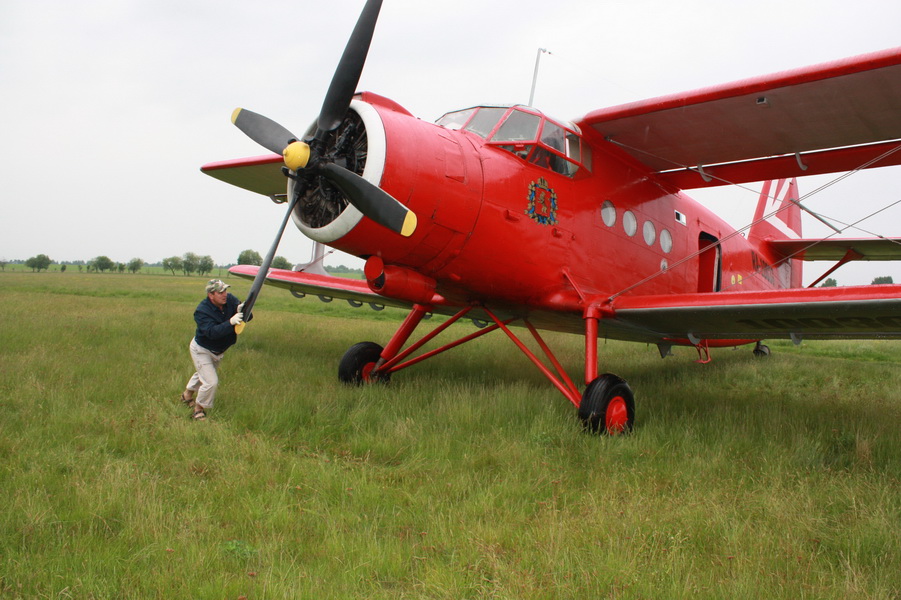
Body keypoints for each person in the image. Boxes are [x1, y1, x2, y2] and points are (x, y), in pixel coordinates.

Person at [180, 279, 249, 420]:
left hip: (219, 351)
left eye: (225, 290)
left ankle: (186, 395)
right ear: (211, 295)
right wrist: (230, 322)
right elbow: (212, 333)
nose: (225, 294)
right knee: (211, 382)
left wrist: (245, 310)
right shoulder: (202, 311)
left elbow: (247, 317)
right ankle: (198, 409)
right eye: (220, 292)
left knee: (203, 373)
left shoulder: (230, 300)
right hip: (202, 350)